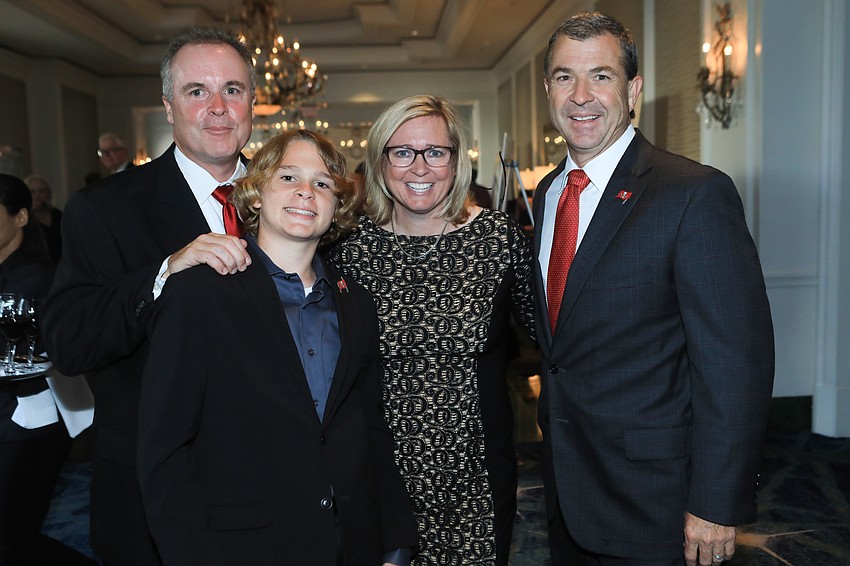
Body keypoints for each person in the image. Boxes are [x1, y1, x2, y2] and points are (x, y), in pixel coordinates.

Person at [533, 12, 775, 566]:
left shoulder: (693, 194)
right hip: (567, 487)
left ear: (633, 90)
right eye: (565, 77)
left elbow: (735, 363)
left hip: (656, 500)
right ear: (548, 90)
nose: (580, 95)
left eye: (601, 76)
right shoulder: (549, 193)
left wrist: (716, 502)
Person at [137, 129, 418, 565]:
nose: (306, 192)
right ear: (255, 195)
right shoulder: (198, 295)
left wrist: (396, 543)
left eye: (322, 183)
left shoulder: (356, 303)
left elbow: (372, 430)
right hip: (246, 546)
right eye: (288, 177)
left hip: (352, 542)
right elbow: (165, 449)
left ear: (337, 207)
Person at [41, 27, 254, 565]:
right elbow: (69, 342)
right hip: (156, 485)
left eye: (232, 89)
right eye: (196, 91)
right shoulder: (106, 208)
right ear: (168, 105)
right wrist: (162, 274)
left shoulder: (293, 199)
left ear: (252, 101)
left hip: (272, 476)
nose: (218, 107)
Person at [327, 94, 535, 566]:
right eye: (402, 152)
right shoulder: (349, 249)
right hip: (379, 479)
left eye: (435, 152)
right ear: (380, 161)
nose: (419, 167)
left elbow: (553, 338)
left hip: (476, 480)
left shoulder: (497, 239)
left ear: (456, 160)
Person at [0, 174, 96, 565]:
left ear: (21, 217)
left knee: (10, 538)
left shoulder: (47, 276)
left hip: (35, 416)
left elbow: (72, 346)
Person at [24, 175, 63, 262]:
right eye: (32, 192)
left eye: (41, 191)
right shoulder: (23, 219)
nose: (37, 196)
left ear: (48, 193)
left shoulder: (57, 214)